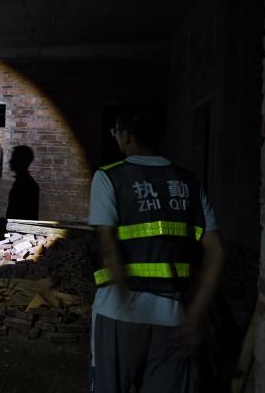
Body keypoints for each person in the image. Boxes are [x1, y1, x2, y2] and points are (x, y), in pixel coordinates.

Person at [88, 102, 224, 393]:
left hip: (118, 313)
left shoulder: (109, 177)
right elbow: (216, 252)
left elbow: (108, 245)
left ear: (125, 135)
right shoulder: (188, 182)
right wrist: (196, 313)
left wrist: (125, 300)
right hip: (173, 316)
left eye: (116, 131)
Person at [5, 145, 39, 220]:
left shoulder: (25, 184)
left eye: (13, 158)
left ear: (19, 161)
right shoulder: (25, 182)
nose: (10, 161)